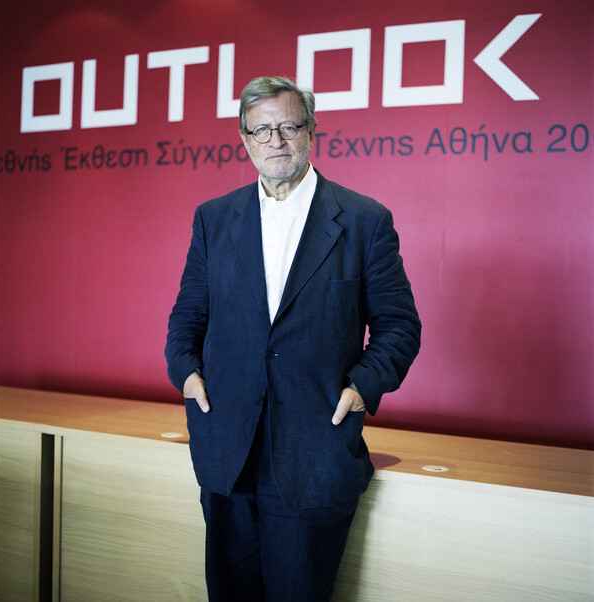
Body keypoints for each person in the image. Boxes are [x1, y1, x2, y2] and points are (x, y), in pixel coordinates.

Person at [165, 76, 421, 601]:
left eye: (288, 126)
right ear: (244, 139)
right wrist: (186, 373)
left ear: (311, 131)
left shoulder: (364, 220)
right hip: (226, 450)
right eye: (261, 130)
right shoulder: (214, 218)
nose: (275, 140)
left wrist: (361, 388)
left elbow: (399, 326)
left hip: (315, 453)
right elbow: (188, 315)